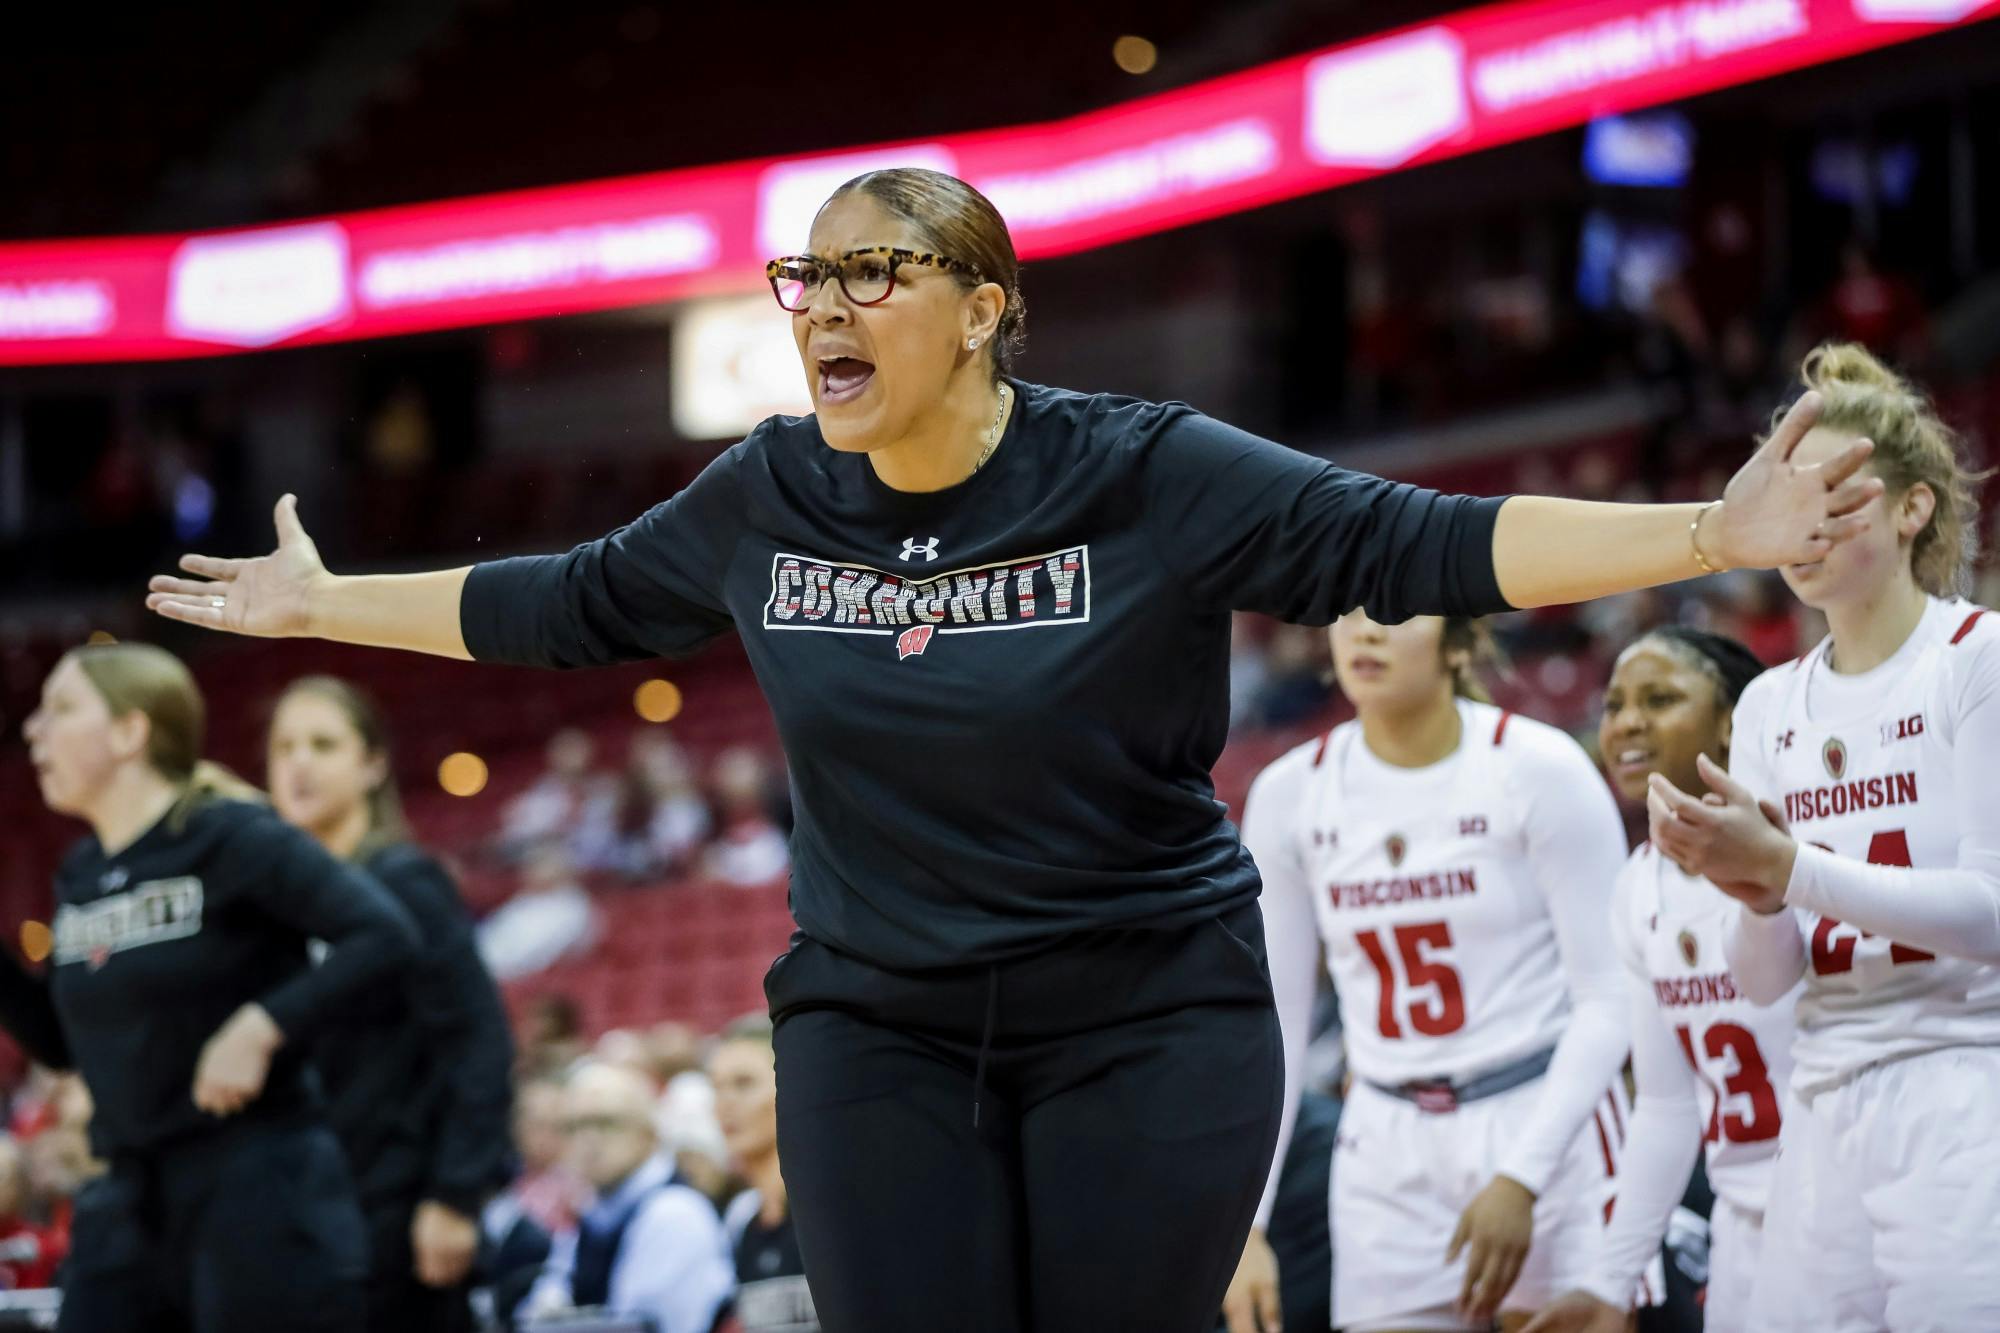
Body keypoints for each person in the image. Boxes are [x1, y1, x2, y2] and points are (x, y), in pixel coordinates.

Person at [146, 167, 1878, 1332]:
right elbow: (562, 601)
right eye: (807, 277)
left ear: (982, 306)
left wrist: (1711, 527)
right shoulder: (766, 491)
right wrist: (323, 605)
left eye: (873, 272)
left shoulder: (1139, 466)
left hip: (1148, 1017)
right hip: (881, 1019)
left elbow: (1420, 541)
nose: (825, 303)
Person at [1646, 343, 2000, 1332]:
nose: (1802, 523)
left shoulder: (1975, 660)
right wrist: (1757, 898)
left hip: (1965, 1082)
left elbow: (1991, 909)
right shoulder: (1765, 704)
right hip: (1821, 1097)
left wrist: (1788, 866)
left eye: (1835, 495)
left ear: (1909, 508)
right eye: (1791, 498)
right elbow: (1761, 980)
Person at [1, 642, 420, 1332]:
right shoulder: (80, 869)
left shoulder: (232, 835)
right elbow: (59, 1042)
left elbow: (384, 933)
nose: (33, 729)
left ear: (130, 732)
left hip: (257, 1185)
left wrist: (262, 1024)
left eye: (61, 709)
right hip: (128, 1196)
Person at [1235, 613, 1631, 1331]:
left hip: (1540, 1110)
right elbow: (1280, 1028)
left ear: (1458, 639)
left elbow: (1609, 1000)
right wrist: (1247, 1222)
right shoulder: (1289, 793)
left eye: (1393, 609)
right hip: (1386, 1140)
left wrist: (1524, 1175)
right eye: (1348, 610)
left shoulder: (1538, 767)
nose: (1364, 631)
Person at [1526, 628, 1797, 1333]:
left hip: (1844, 1202)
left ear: (1731, 719)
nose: (1627, 722)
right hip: (1742, 1219)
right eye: (1614, 703)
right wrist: (1610, 1282)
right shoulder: (1636, 884)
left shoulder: (1800, 842)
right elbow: (1668, 1107)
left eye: (1661, 697)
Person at [266, 675, 517, 1333]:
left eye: (323, 743)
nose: (299, 761)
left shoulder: (404, 881)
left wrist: (455, 1195)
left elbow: (479, 1039)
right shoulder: (271, 906)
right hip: (303, 1207)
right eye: (284, 745)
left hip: (396, 1206)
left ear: (373, 763)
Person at [520, 1062, 734, 1333]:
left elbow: (635, 1327)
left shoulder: (675, 1212)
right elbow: (540, 1315)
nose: (589, 1139)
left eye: (606, 1122)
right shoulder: (593, 1213)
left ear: (648, 1131)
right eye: (575, 1126)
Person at [712, 1016, 819, 1333]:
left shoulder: (836, 1208)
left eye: (743, 1083)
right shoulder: (741, 1222)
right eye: (716, 1087)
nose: (724, 1103)